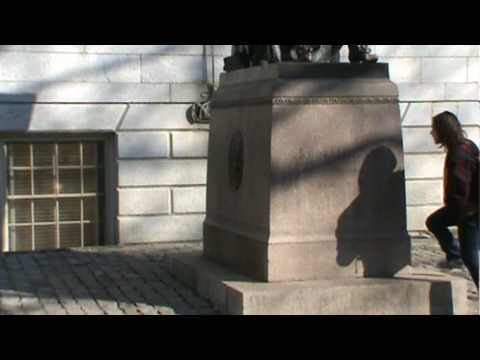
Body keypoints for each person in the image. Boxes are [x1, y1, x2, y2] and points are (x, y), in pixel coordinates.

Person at [426, 111, 479, 289]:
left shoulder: (458, 155)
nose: (431, 133)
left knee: (470, 256)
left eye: (434, 129)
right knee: (434, 222)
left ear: (443, 131)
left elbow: (460, 188)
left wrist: (460, 214)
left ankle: (455, 257)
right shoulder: (468, 145)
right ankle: (455, 256)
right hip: (470, 207)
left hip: (468, 211)